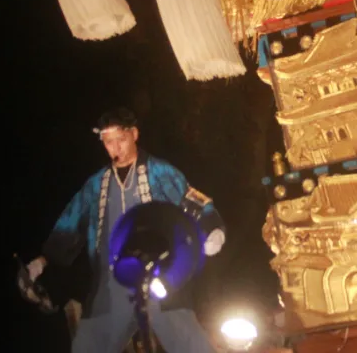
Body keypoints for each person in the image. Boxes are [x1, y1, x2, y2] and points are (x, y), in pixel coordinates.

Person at [25, 107, 224, 353]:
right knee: (88, 346)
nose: (115, 147)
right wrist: (43, 260)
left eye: (121, 139)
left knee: (188, 342)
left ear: (134, 134)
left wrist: (211, 228)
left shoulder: (159, 172)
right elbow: (71, 220)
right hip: (111, 283)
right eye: (108, 142)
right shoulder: (96, 184)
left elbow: (191, 199)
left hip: (160, 277)